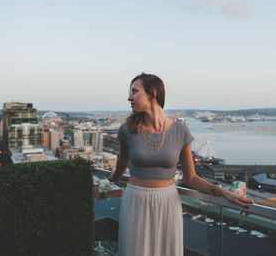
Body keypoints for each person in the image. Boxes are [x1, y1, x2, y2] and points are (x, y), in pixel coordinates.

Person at [109, 73, 254, 256]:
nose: (129, 97)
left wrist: (225, 194)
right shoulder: (127, 130)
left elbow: (191, 178)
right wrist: (112, 177)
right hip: (136, 201)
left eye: (135, 91)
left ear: (152, 93)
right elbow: (122, 163)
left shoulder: (181, 131)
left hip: (168, 202)